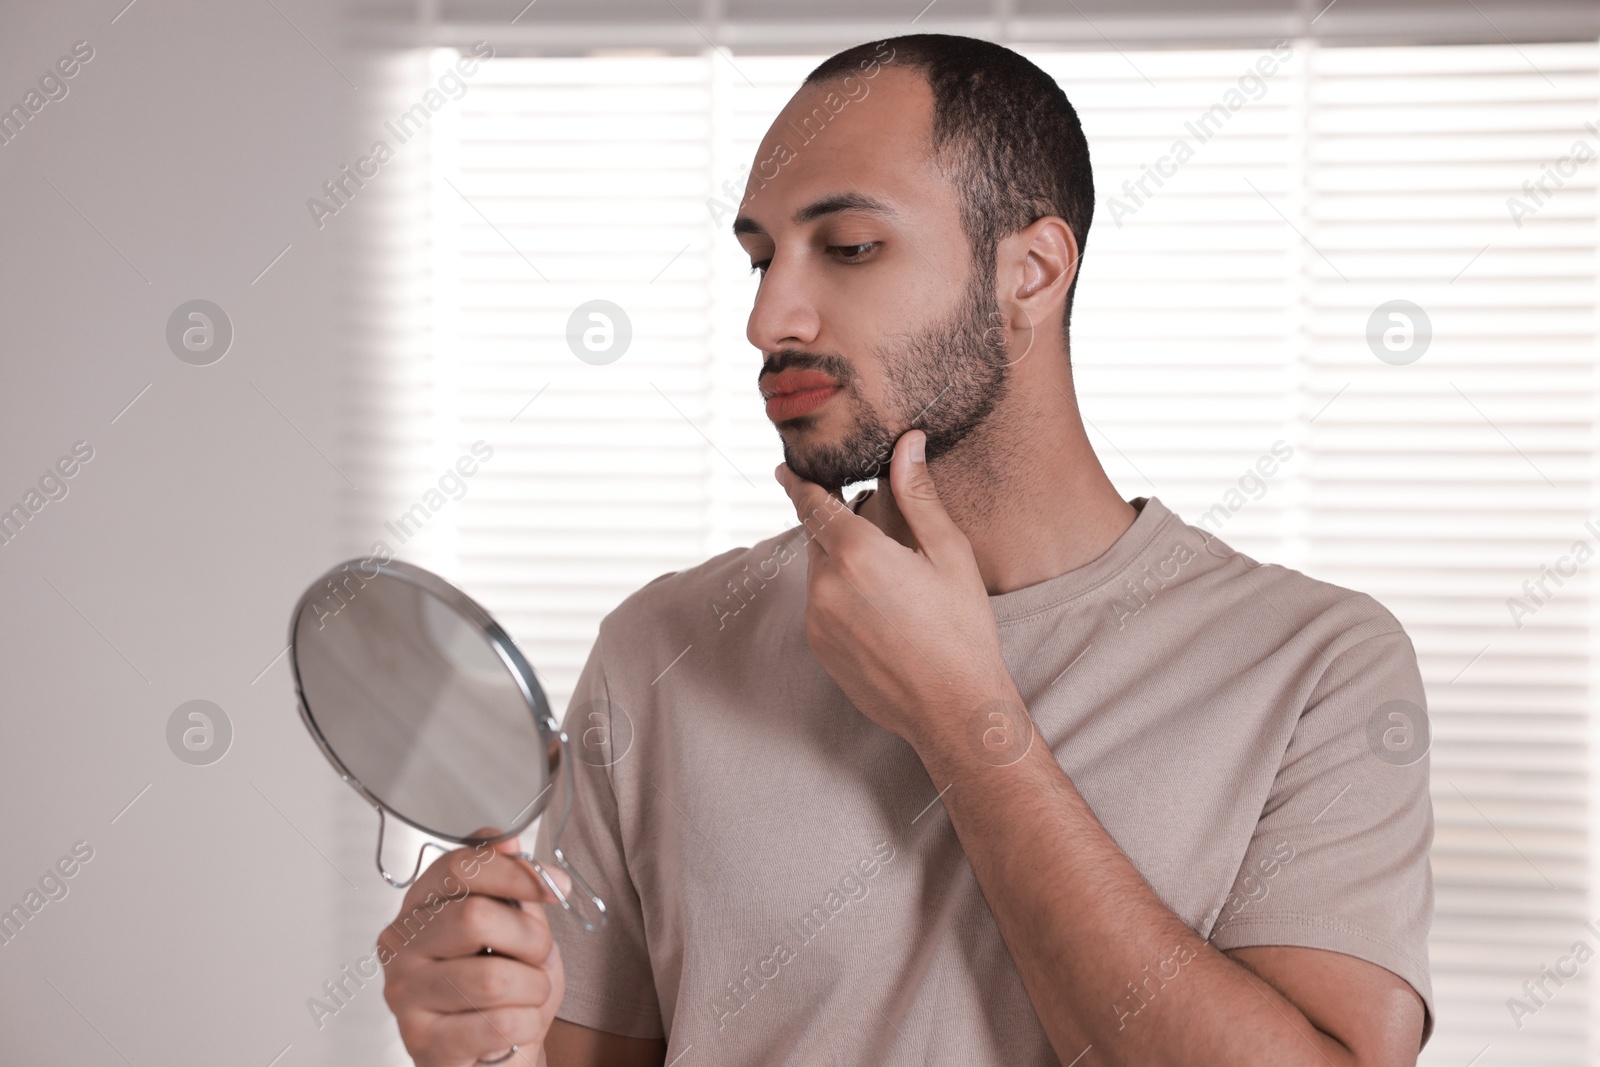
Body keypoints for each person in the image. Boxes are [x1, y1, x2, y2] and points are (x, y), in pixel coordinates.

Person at [378, 33, 1434, 1067]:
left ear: (1030, 271)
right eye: (759, 257)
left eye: (846, 247)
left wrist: (960, 714)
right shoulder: (664, 646)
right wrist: (481, 1046)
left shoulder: (1314, 664)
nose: (767, 318)